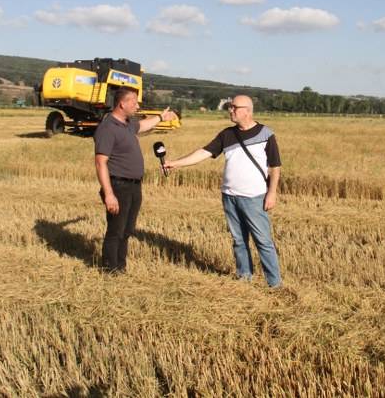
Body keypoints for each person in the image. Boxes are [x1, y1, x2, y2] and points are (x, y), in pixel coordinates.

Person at [164, 95, 282, 287]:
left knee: (263, 241)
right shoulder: (226, 134)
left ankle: (275, 284)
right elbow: (204, 152)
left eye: (234, 107)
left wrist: (272, 193)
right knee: (238, 241)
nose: (230, 110)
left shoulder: (266, 134)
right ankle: (244, 278)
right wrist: (175, 164)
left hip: (254, 198)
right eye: (230, 106)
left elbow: (275, 167)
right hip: (229, 196)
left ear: (247, 110)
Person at [94, 88, 177, 273]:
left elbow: (143, 125)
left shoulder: (127, 124)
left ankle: (120, 268)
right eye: (134, 102)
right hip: (117, 186)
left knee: (127, 230)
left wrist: (161, 118)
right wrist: (109, 194)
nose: (137, 106)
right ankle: (109, 270)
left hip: (133, 186)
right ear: (122, 104)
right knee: (116, 230)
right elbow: (100, 163)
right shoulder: (108, 128)